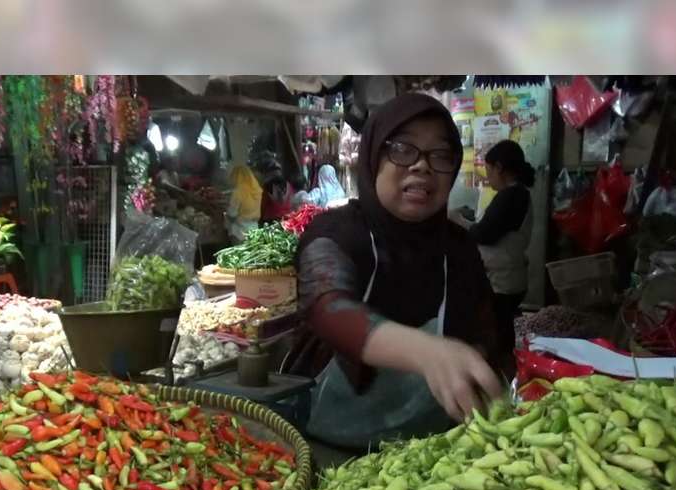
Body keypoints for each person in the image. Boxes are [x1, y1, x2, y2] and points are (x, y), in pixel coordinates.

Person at [292, 93, 502, 456]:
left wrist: (480, 368)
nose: (422, 166)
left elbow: (486, 330)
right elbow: (326, 305)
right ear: (374, 157)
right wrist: (427, 353)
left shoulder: (459, 248)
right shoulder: (336, 232)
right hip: (328, 449)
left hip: (432, 455)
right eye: (403, 149)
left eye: (440, 155)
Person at [449, 140, 534, 374]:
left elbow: (483, 234)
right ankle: (506, 372)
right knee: (503, 329)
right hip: (510, 276)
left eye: (488, 171)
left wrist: (457, 220)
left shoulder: (511, 195)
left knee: (498, 333)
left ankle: (503, 377)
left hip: (502, 280)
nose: (488, 178)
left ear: (499, 168)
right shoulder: (518, 194)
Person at [225, 165, 262, 243]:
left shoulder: (238, 192)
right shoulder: (257, 190)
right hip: (254, 228)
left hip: (239, 231)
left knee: (239, 254)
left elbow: (232, 214)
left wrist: (226, 213)